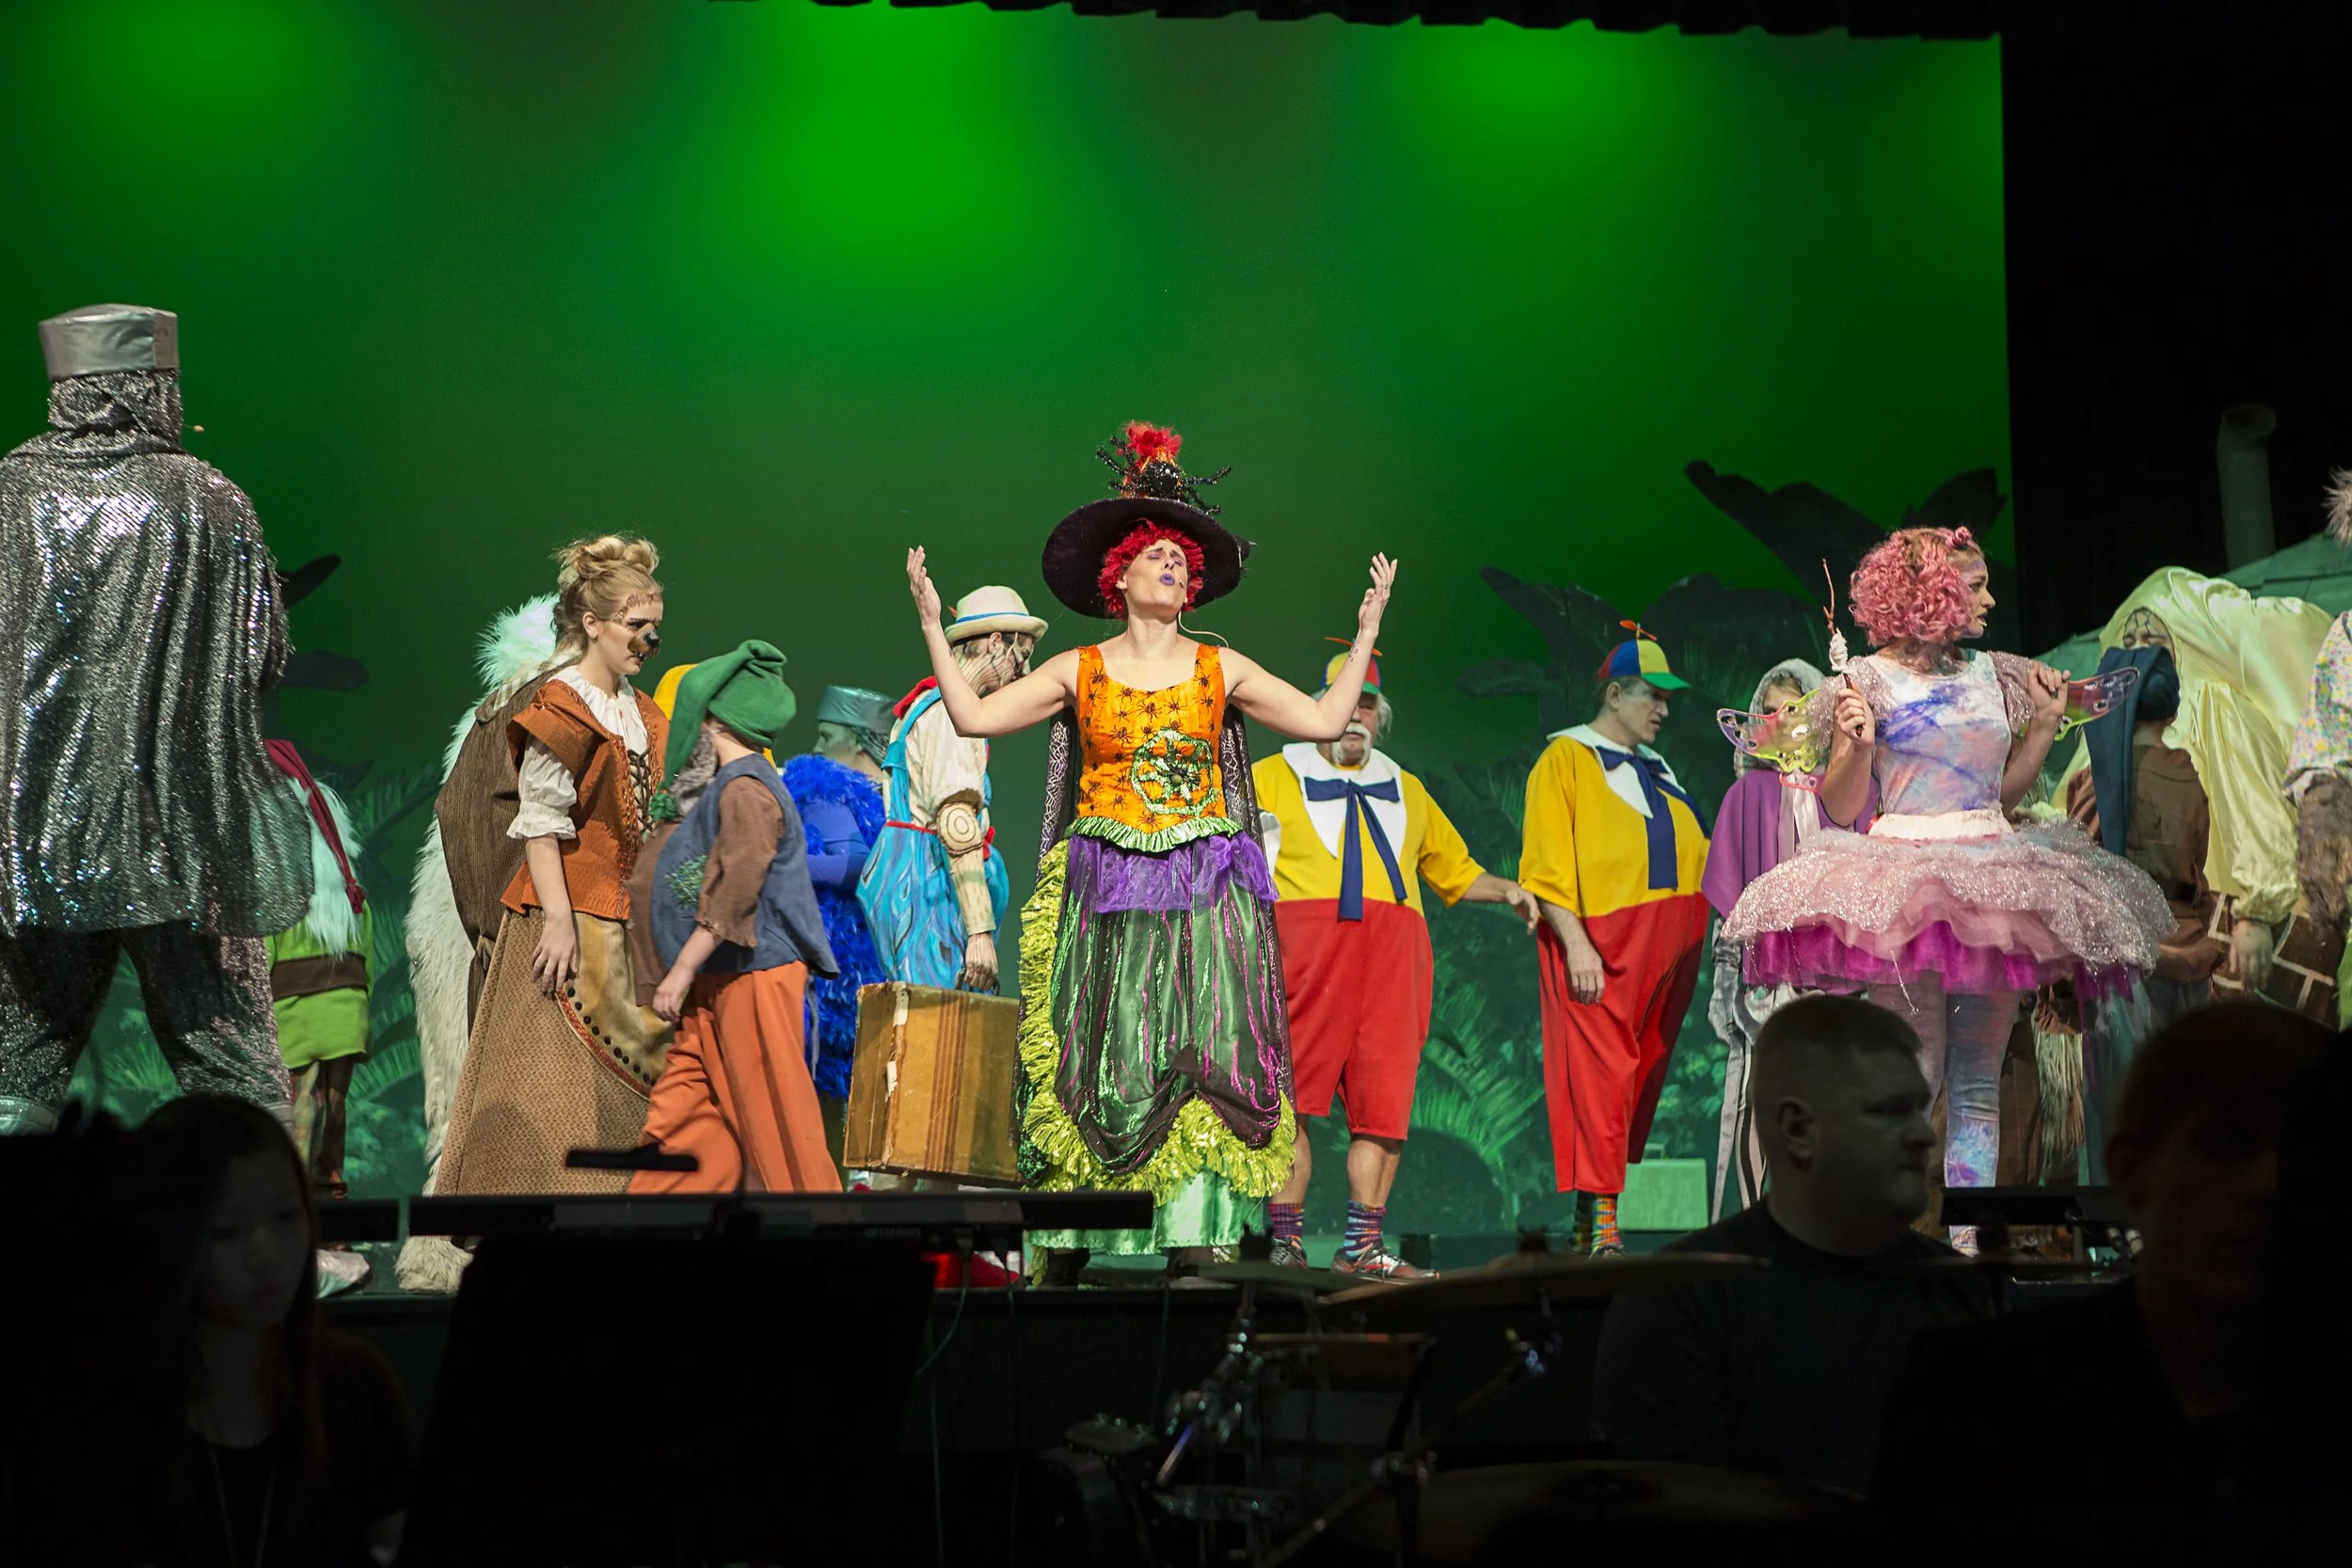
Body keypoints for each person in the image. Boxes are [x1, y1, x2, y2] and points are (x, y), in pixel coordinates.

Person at [906, 420, 1394, 1270]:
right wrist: (926, 622)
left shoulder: (1219, 667)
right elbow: (975, 716)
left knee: (1194, 1055)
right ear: (1119, 577)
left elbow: (1320, 721)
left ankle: (1190, 1240)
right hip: (1107, 880)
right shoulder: (1079, 668)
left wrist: (1365, 631)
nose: (1171, 564)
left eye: (1182, 559)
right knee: (1101, 1054)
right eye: (1154, 555)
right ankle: (1069, 1242)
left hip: (1203, 885)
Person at [1724, 527, 2171, 1217]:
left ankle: (1969, 1244)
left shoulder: (1997, 672)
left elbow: (2001, 796)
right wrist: (1854, 744)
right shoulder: (1868, 679)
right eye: (1975, 583)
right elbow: (1843, 804)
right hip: (1906, 877)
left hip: (1990, 872)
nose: (1991, 597)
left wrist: (2048, 723)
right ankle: (1887, 1227)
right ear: (1931, 592)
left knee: (1977, 1083)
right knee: (1916, 1068)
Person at [0, 303, 312, 1135]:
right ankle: (278, 1248)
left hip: (33, 844)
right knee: (234, 1057)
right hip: (182, 839)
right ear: (152, 386)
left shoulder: (8, 496)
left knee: (19, 1059)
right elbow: (265, 655)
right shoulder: (208, 498)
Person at [1875, 1002, 2330, 1509]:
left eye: (2307, 1154)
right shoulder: (1976, 1396)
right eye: (2225, 1147)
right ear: (2131, 1169)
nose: (2267, 1186)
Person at [1591, 994, 1987, 1497]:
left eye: (1918, 1108)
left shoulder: (1968, 1296)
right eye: (1889, 1112)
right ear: (1797, 1129)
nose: (1922, 1136)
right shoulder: (1682, 1304)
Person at [1253, 645, 1536, 1277]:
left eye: (1369, 705)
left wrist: (1511, 889)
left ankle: (1363, 1246)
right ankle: (1286, 1243)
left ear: (1383, 717)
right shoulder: (1272, 774)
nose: (1355, 714)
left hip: (1393, 960)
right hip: (1306, 955)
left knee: (1384, 1109)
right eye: (1345, 701)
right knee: (1290, 1103)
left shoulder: (1407, 788)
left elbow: (1456, 874)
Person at [428, 537, 672, 1217]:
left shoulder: (641, 710)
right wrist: (560, 921)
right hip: (563, 916)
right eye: (635, 627)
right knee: (552, 1100)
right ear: (592, 622)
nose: (647, 640)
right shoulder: (565, 701)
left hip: (621, 924)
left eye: (654, 629)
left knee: (623, 1098)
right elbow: (540, 819)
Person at [2056, 569, 2327, 1178]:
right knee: (2160, 1100)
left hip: (2147, 955)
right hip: (2169, 951)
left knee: (2143, 1100)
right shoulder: (2122, 769)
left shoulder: (2189, 742)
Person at [128, 1095, 415, 1567]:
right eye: (227, 1230)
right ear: (164, 1240)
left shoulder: (354, 1386)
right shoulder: (112, 1410)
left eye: (286, 1216)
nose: (267, 1252)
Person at [1520, 626, 1712, 1255]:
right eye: (1652, 696)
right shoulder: (1566, 759)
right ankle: (1603, 1220)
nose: (1663, 710)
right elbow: (1546, 866)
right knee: (1601, 1078)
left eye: (1667, 699)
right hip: (1605, 943)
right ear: (1613, 694)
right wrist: (1575, 942)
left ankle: (1592, 1211)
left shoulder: (1659, 767)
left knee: (1636, 1079)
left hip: (1669, 946)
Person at [631, 641, 841, 1194]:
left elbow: (736, 890)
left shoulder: (749, 789)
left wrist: (679, 972)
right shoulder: (729, 786)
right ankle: (651, 1242)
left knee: (778, 1126)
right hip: (717, 980)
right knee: (685, 1122)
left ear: (716, 721)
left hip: (753, 979)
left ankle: (829, 1254)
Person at [1701, 657, 1865, 1220]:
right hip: (1766, 974)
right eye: (1767, 711)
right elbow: (1729, 896)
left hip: (1835, 971)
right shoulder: (1746, 795)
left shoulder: (1845, 789)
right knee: (1757, 1095)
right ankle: (1755, 1215)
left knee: (1831, 1095)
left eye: (1791, 708)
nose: (1778, 719)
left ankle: (1824, 1214)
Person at [859, 589, 1043, 994]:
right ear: (996, 643)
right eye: (1021, 654)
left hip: (916, 882)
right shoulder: (948, 715)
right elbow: (957, 820)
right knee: (937, 1025)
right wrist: (978, 931)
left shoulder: (932, 705)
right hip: (929, 892)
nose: (1024, 672)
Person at [260, 741, 375, 1296]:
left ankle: (302, 1229)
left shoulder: (281, 887)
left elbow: (263, 957)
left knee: (308, 1120)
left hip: (303, 1013)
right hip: (339, 1009)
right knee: (327, 1117)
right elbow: (367, 946)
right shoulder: (342, 885)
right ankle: (323, 1231)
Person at [783, 685, 894, 1141]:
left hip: (844, 972)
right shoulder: (898, 799)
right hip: (856, 969)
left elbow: (854, 865)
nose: (816, 748)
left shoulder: (832, 795)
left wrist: (778, 866)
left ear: (862, 740)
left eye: (828, 737)